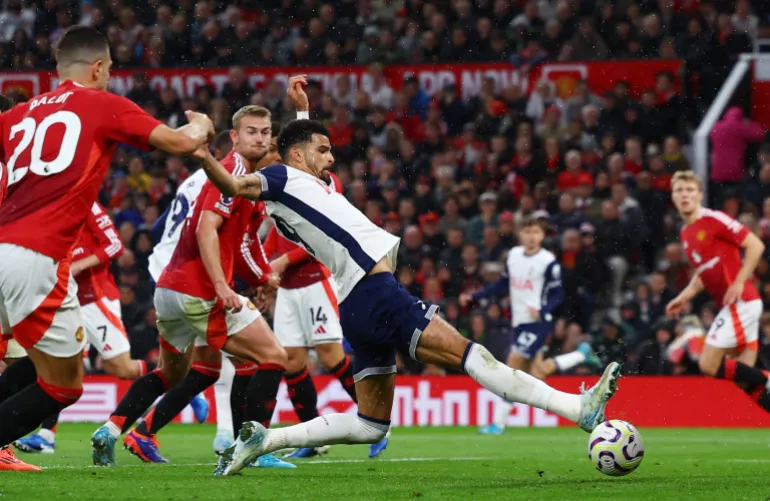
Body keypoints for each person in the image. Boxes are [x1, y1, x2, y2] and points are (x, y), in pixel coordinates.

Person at [195, 119, 622, 477]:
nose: (331, 158)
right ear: (297, 155)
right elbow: (235, 182)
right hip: (376, 292)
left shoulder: (299, 185)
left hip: (356, 303)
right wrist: (202, 154)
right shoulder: (280, 178)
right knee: (472, 355)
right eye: (322, 150)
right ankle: (576, 407)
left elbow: (297, 147)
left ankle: (265, 439)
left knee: (370, 425)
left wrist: (302, 110)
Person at [0, 25, 213, 472]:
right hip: (37, 256)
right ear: (98, 67)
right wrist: (202, 124)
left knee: (29, 359)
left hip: (5, 247)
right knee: (63, 386)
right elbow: (182, 142)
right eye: (111, 69)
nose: (110, 76)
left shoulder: (17, 115)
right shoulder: (101, 104)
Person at [89, 104, 291, 468]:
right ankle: (250, 450)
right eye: (254, 133)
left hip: (168, 285)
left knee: (177, 372)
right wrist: (223, 285)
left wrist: (262, 278)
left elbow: (239, 243)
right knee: (272, 356)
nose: (265, 144)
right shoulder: (233, 172)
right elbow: (205, 229)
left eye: (266, 134)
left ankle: (114, 429)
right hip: (200, 287)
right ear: (234, 137)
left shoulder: (229, 177)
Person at [14, 202, 159, 454]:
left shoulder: (86, 204)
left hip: (96, 297)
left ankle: (171, 376)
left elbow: (114, 245)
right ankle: (46, 436)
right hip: (68, 299)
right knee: (62, 367)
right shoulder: (47, 205)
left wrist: (76, 266)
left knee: (122, 368)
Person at [460, 218, 601, 435]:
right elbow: (502, 284)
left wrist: (543, 310)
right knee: (537, 372)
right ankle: (581, 354)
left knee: (511, 365)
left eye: (536, 232)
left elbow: (558, 294)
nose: (532, 236)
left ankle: (498, 424)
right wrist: (475, 296)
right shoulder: (514, 256)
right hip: (519, 323)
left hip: (537, 323)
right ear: (521, 234)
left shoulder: (547, 261)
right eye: (527, 231)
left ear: (542, 235)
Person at [666, 171, 770, 411]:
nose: (685, 195)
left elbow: (755, 245)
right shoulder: (685, 233)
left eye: (690, 190)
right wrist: (683, 297)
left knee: (708, 364)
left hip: (741, 302)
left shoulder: (714, 219)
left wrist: (738, 283)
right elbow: (703, 273)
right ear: (673, 196)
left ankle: (767, 377)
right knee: (746, 381)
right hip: (737, 305)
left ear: (700, 195)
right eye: (680, 190)